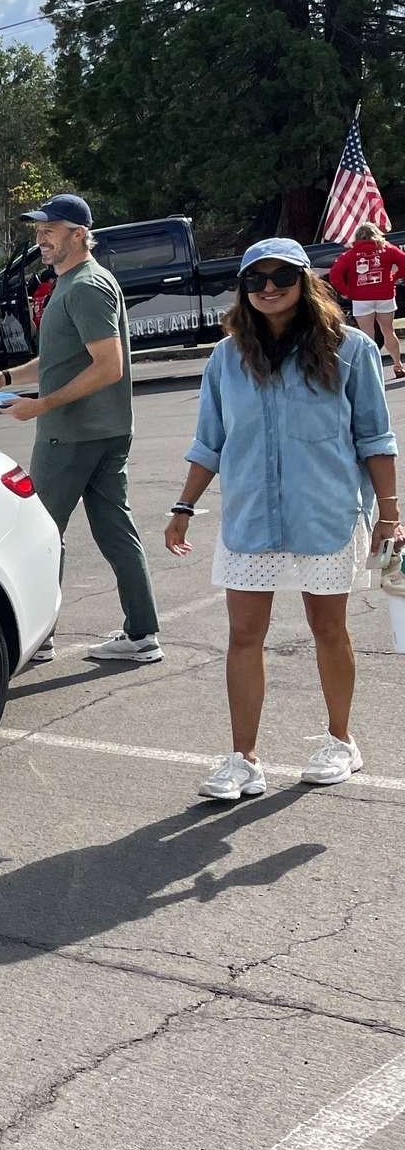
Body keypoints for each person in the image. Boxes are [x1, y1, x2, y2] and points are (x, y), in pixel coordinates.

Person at [166, 240, 400, 800]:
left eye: (281, 276)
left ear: (305, 280)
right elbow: (209, 441)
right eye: (255, 279)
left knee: (328, 629)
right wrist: (183, 506)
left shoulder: (351, 350)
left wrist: (390, 516)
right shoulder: (226, 358)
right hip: (251, 519)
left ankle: (341, 741)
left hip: (326, 513)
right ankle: (242, 759)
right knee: (244, 635)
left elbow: (375, 438)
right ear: (243, 289)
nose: (268, 288)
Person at [0, 193, 161, 664]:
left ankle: (39, 637)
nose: (41, 239)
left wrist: (42, 405)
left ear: (78, 234)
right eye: (38, 231)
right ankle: (142, 634)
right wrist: (5, 378)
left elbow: (108, 366)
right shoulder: (77, 282)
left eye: (50, 230)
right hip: (100, 430)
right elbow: (63, 358)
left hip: (73, 435)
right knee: (115, 530)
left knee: (37, 533)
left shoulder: (84, 286)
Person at [325, 222, 405, 377]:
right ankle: (398, 365)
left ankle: (372, 371)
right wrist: (394, 277)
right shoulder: (388, 249)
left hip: (361, 299)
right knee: (389, 331)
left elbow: (335, 273)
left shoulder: (351, 254)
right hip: (385, 295)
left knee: (367, 336)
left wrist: (345, 291)